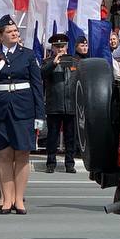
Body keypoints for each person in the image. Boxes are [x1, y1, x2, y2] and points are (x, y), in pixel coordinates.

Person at [0, 16, 44, 215]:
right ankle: (7, 198)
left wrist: (39, 114)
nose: (15, 33)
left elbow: (37, 86)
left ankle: (18, 199)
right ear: (0, 35)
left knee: (22, 154)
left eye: (15, 30)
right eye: (10, 31)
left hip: (23, 109)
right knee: (4, 154)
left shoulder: (28, 55)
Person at [41, 33, 79, 173]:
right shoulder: (47, 62)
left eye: (62, 46)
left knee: (71, 136)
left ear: (66, 47)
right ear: (53, 48)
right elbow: (40, 74)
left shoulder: (75, 61)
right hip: (54, 105)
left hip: (71, 105)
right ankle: (51, 162)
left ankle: (70, 163)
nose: (60, 49)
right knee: (52, 136)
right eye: (57, 47)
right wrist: (53, 64)